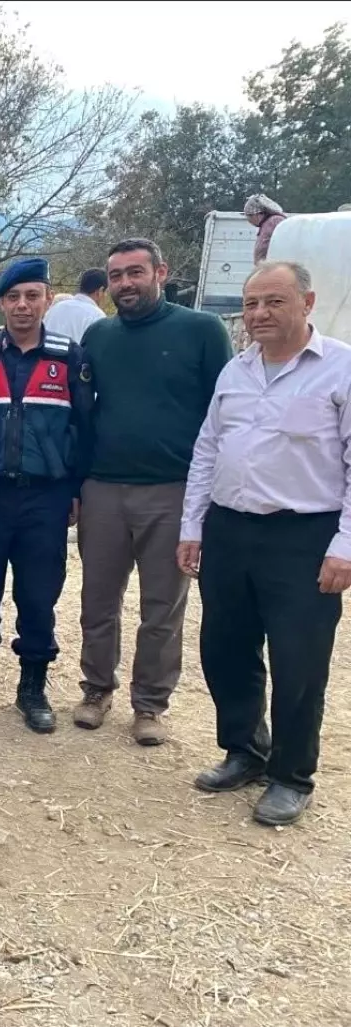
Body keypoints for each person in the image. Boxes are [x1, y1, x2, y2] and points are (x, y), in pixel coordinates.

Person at [178, 261, 351, 826]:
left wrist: (345, 546)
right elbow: (208, 451)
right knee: (225, 648)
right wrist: (192, 527)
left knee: (299, 663)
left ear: (308, 301)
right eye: (251, 304)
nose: (259, 315)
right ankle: (245, 751)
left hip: (303, 536)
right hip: (231, 529)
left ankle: (291, 776)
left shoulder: (340, 370)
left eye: (273, 302)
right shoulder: (236, 372)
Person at [75, 239, 232, 745]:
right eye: (116, 275)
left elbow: (222, 414)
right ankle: (96, 689)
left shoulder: (201, 330)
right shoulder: (98, 336)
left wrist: (208, 496)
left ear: (160, 272)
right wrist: (77, 484)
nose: (125, 283)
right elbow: (83, 415)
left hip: (173, 490)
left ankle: (149, 705)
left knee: (162, 606)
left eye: (135, 272)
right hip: (103, 487)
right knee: (98, 599)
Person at [0, 259, 92, 734]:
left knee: (39, 595)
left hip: (46, 498)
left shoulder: (68, 356)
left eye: (32, 295)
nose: (22, 305)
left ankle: (32, 686)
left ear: (48, 300)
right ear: (1, 303)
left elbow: (84, 427)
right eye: (13, 297)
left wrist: (75, 489)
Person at [44, 268, 108, 343]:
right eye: (106, 292)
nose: (106, 296)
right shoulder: (97, 316)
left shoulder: (55, 308)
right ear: (100, 291)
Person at [243, 195, 287, 264]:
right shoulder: (265, 225)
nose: (249, 220)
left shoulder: (274, 221)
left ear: (257, 214)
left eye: (249, 216)